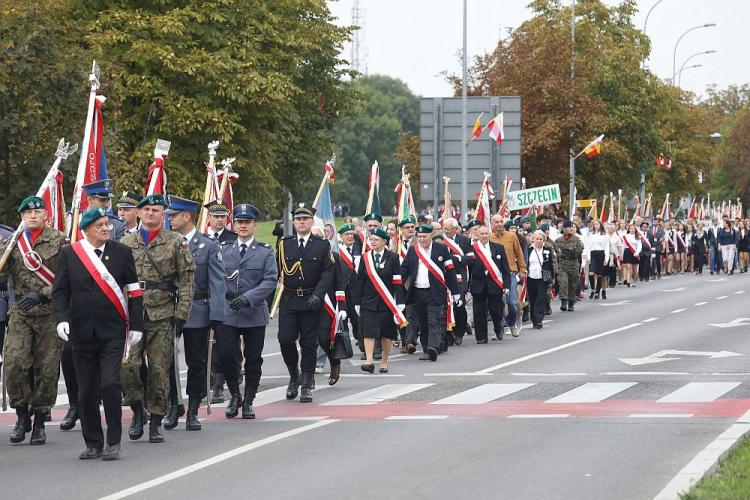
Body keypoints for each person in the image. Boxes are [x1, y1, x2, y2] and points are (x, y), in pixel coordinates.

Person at [52, 207, 144, 460]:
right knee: (86, 391)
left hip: (112, 331)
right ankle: (93, 442)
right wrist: (61, 319)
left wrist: (136, 325)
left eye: (107, 224)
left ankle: (113, 441)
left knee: (110, 383)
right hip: (81, 332)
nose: (106, 228)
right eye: (100, 226)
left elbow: (134, 291)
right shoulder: (70, 254)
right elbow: (60, 291)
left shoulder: (122, 253)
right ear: (86, 230)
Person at [120, 194, 195, 443]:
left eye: (156, 210)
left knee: (159, 370)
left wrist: (182, 313)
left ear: (163, 215)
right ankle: (137, 410)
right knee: (128, 366)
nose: (151, 213)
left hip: (162, 314)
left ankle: (155, 419)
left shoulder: (175, 242)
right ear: (139, 214)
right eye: (147, 210)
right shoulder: (125, 242)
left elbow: (186, 280)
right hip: (132, 314)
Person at [2, 196, 66, 445]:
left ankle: (40, 421)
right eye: (27, 213)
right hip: (20, 311)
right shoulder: (14, 242)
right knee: (16, 364)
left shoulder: (59, 240)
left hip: (49, 312)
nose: (32, 216)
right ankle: (21, 416)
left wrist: (42, 294)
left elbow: (65, 278)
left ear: (45, 214)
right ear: (21, 217)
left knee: (46, 369)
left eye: (38, 212)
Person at [164, 196, 225, 431]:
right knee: (166, 360)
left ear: (186, 216)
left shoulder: (207, 245)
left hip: (197, 310)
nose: (169, 219)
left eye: (173, 215)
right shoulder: (167, 243)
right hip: (168, 309)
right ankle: (174, 404)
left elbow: (217, 282)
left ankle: (193, 409)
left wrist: (217, 314)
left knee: (196, 362)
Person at [219, 204, 277, 418]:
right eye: (239, 222)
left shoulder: (264, 251)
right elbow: (216, 278)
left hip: (253, 312)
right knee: (226, 355)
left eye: (247, 222)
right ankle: (235, 395)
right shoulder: (224, 249)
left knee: (253, 358)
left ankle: (249, 400)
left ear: (255, 224)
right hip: (228, 311)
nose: (242, 226)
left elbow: (271, 280)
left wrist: (248, 298)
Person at [277, 203, 334, 403]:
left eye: (305, 219)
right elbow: (277, 271)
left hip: (311, 299)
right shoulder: (285, 244)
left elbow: (328, 272)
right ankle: (294, 375)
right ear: (294, 222)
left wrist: (319, 294)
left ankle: (306, 383)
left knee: (309, 343)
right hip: (290, 298)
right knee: (285, 339)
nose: (301, 222)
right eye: (298, 219)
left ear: (311, 221)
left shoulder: (322, 245)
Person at [401, 224, 459, 360]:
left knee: (435, 320)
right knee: (423, 322)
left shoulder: (442, 249)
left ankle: (433, 347)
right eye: (419, 236)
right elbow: (403, 271)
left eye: (424, 236)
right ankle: (427, 348)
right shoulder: (413, 251)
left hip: (436, 291)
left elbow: (450, 271)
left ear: (430, 235)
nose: (421, 239)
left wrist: (455, 291)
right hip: (418, 292)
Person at [351, 227, 405, 373]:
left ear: (384, 241)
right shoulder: (365, 257)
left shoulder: (393, 258)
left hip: (387, 302)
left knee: (386, 333)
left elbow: (397, 281)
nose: (372, 242)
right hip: (368, 301)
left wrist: (400, 301)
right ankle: (369, 361)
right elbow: (359, 281)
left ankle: (384, 361)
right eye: (371, 239)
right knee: (368, 331)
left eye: (376, 240)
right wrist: (357, 301)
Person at [468, 225, 511, 342]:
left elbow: (506, 269)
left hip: (495, 284)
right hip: (478, 285)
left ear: (490, 234)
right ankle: (481, 337)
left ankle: (498, 328)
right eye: (481, 234)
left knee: (496, 310)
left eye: (486, 233)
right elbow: (468, 269)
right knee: (479, 312)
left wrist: (506, 286)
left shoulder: (498, 248)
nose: (484, 236)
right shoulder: (472, 249)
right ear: (478, 235)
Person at [490, 215, 527, 336]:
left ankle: (511, 323)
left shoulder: (511, 236)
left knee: (512, 302)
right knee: (497, 302)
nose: (499, 224)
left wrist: (522, 269)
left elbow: (519, 253)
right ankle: (499, 328)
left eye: (501, 222)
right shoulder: (489, 238)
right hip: (495, 274)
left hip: (510, 273)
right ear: (492, 224)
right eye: (496, 222)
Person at [442, 218, 472, 345]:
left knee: (459, 304)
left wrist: (457, 258)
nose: (446, 231)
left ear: (455, 229)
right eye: (444, 228)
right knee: (447, 306)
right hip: (444, 276)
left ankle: (459, 332)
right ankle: (449, 333)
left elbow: (471, 258)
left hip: (459, 276)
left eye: (448, 228)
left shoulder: (464, 241)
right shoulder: (440, 240)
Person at [526, 231, 554, 329]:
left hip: (543, 278)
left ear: (544, 240)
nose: (538, 241)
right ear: (533, 239)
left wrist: (552, 278)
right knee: (533, 299)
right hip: (530, 277)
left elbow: (551, 264)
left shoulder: (547, 250)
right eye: (537, 239)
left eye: (540, 239)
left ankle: (539, 319)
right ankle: (534, 319)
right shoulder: (528, 249)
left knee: (541, 298)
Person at [555, 220, 584, 312]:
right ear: (564, 228)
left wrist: (569, 250)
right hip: (563, 263)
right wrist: (567, 250)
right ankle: (564, 301)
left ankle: (571, 302)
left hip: (573, 263)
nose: (570, 229)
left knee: (573, 283)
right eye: (568, 227)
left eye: (571, 227)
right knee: (563, 283)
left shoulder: (577, 239)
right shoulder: (558, 240)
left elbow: (579, 250)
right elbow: (557, 252)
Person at [586, 220, 609, 299]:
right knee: (591, 273)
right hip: (593, 255)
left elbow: (606, 247)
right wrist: (588, 257)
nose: (596, 226)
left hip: (601, 254)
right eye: (595, 224)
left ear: (600, 225)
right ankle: (593, 289)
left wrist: (606, 258)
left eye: (597, 224)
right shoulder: (590, 235)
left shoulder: (604, 235)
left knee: (600, 275)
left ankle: (597, 292)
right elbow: (588, 246)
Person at [604, 223, 622, 298]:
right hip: (606, 254)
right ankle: (606, 282)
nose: (610, 230)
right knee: (606, 268)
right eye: (608, 228)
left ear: (614, 229)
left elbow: (619, 247)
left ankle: (612, 282)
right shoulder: (605, 236)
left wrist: (620, 256)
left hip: (614, 254)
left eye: (611, 228)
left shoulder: (617, 237)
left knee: (613, 269)